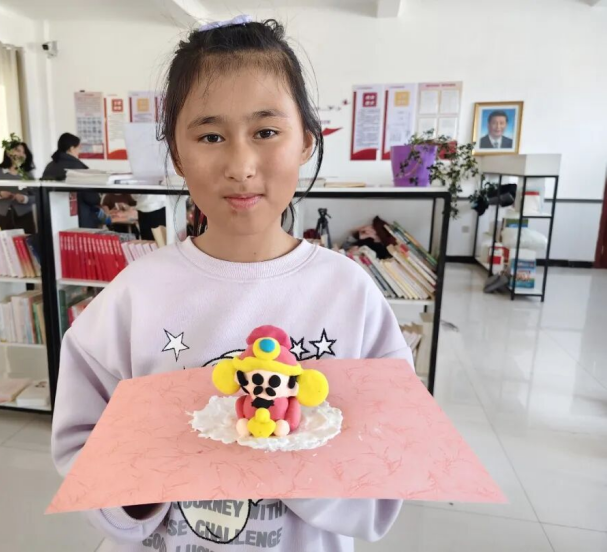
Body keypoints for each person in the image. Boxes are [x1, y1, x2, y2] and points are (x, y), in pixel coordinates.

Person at [52, 17, 411, 552]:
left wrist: (284, 456)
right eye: (210, 136)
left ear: (306, 141)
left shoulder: (350, 294)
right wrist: (140, 485)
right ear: (177, 153)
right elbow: (80, 442)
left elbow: (390, 459)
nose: (241, 165)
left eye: (266, 132)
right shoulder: (134, 294)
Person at [42, 132, 106, 228]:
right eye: (78, 148)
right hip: (80, 218)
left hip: (55, 217)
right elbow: (91, 198)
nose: (79, 151)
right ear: (71, 148)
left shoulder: (50, 166)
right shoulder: (78, 168)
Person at [0, 141, 36, 234]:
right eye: (18, 151)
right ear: (8, 153)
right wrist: (0, 194)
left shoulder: (28, 174)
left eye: (24, 152)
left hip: (25, 217)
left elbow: (36, 197)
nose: (21, 154)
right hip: (2, 216)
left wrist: (24, 199)